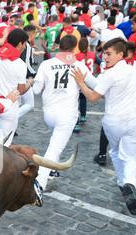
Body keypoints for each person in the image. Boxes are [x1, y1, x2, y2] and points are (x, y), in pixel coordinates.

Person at [72, 38, 136, 215]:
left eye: (109, 53)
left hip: (114, 121)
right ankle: (129, 183)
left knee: (116, 153)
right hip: (132, 119)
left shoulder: (109, 74)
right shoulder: (132, 69)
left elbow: (94, 97)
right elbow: (105, 90)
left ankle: (123, 183)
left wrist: (81, 81)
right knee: (130, 157)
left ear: (121, 54)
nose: (105, 56)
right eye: (104, 53)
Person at [33, 35, 96, 191]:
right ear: (75, 48)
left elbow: (35, 90)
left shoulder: (46, 64)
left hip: (49, 113)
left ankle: (52, 170)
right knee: (54, 148)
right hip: (67, 115)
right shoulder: (80, 66)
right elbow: (97, 85)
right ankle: (40, 183)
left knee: (56, 141)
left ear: (59, 46)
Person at [0, 29, 31, 146]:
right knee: (3, 142)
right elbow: (21, 90)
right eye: (25, 43)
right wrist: (30, 83)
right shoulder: (20, 64)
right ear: (20, 44)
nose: (25, 46)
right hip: (9, 103)